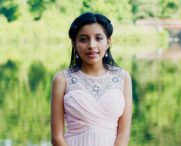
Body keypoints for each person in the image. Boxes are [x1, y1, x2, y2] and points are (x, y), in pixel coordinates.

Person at [51, 12, 132, 146]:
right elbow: (57, 137)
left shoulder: (123, 77)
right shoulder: (62, 79)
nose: (91, 45)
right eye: (83, 39)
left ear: (108, 42)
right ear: (74, 43)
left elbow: (124, 134)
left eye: (98, 38)